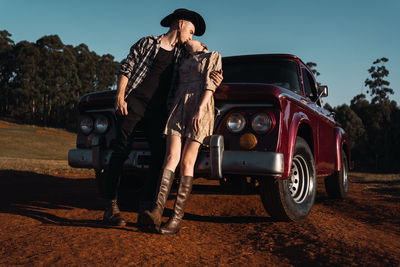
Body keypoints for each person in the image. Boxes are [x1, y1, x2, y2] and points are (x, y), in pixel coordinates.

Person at [103, 8, 223, 226]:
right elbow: (126, 67)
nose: (192, 35)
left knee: (160, 156)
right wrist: (120, 96)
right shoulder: (147, 43)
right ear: (180, 24)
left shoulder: (181, 55)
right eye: (191, 30)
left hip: (160, 111)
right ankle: (111, 207)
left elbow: (200, 67)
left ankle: (146, 207)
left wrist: (216, 76)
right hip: (133, 104)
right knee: (121, 150)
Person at [141, 40, 222, 234]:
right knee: (170, 158)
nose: (187, 40)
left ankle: (176, 219)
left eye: (192, 36)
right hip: (178, 107)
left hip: (199, 108)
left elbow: (210, 85)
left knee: (187, 162)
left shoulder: (212, 56)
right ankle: (156, 212)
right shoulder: (181, 60)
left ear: (202, 43)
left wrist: (200, 110)